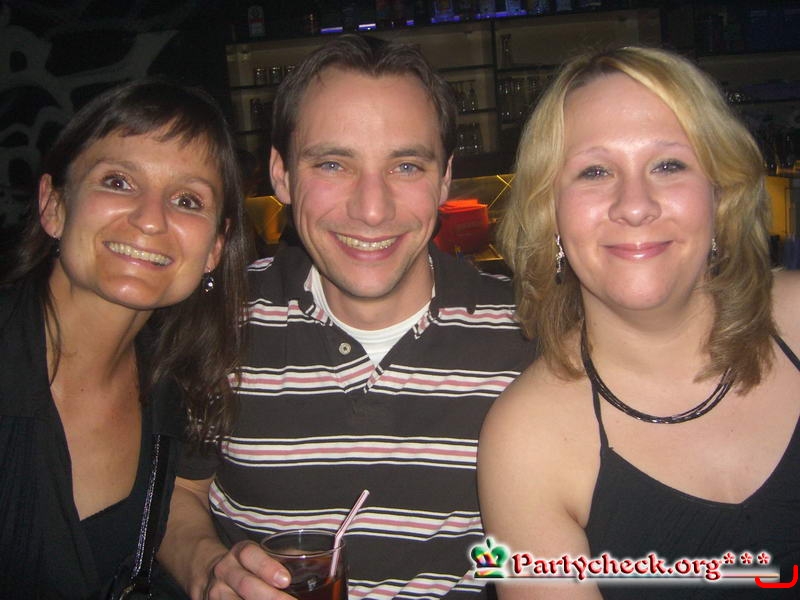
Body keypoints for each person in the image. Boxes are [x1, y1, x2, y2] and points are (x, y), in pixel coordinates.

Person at [158, 34, 537, 600]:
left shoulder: (530, 333)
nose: (372, 209)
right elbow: (177, 492)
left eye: (405, 165)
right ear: (281, 175)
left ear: (444, 179)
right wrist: (208, 568)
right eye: (333, 164)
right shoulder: (218, 318)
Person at [478, 45, 800, 600]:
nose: (634, 205)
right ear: (550, 213)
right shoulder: (526, 442)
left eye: (668, 165)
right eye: (595, 171)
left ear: (719, 193)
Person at [0, 79, 251, 598]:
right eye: (118, 181)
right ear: (53, 205)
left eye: (187, 199)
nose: (150, 219)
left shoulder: (178, 386)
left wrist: (209, 572)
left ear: (214, 248)